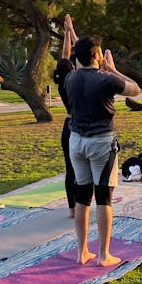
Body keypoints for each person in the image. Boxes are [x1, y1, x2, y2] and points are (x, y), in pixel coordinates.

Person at [64, 36, 140, 266]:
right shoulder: (107, 80)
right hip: (101, 142)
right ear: (97, 56)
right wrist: (114, 70)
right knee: (103, 198)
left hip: (76, 140)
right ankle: (104, 254)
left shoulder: (69, 78)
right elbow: (134, 90)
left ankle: (82, 252)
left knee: (82, 197)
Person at [53, 13, 78, 218]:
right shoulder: (77, 81)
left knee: (70, 170)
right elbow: (82, 55)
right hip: (80, 126)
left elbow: (66, 56)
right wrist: (71, 31)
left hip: (67, 126)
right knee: (84, 170)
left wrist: (66, 35)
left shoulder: (62, 82)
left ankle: (72, 210)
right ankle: (85, 206)